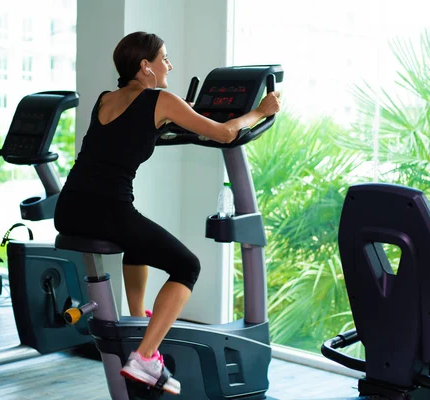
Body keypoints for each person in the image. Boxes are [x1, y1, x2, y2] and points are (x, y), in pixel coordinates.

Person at [54, 31, 281, 395]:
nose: (169, 65)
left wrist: (177, 116)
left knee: (137, 237)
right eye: (164, 58)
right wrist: (259, 111)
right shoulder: (161, 99)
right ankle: (145, 357)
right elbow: (224, 133)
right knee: (187, 265)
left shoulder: (106, 99)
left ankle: (139, 319)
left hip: (69, 209)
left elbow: (127, 135)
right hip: (106, 210)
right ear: (146, 67)